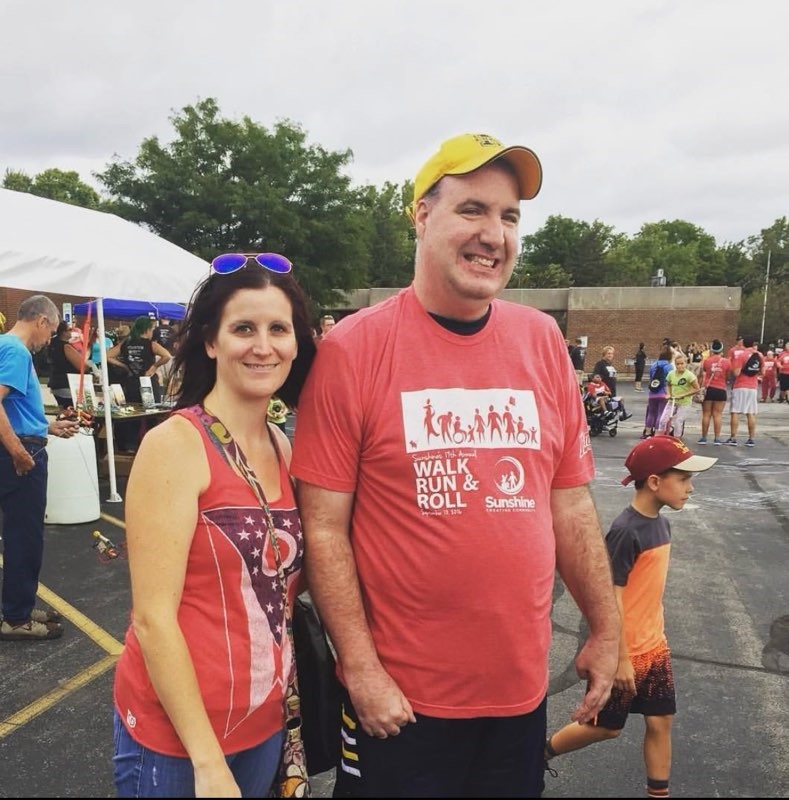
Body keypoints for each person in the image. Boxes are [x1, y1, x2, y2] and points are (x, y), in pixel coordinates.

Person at [290, 132, 620, 797]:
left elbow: (569, 501)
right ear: (421, 215)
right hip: (401, 702)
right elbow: (323, 528)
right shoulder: (353, 349)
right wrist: (361, 668)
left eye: (509, 216)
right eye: (472, 209)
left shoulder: (540, 340)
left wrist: (605, 629)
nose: (493, 234)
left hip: (517, 694)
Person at [111, 253, 317, 797]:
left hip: (266, 720)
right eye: (243, 328)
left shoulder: (283, 447)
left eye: (278, 329)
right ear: (210, 341)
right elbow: (153, 618)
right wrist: (206, 762)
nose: (263, 346)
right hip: (181, 740)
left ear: (296, 344)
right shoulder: (175, 445)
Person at [544, 435, 717, 799]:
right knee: (606, 727)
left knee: (661, 719)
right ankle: (539, 755)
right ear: (654, 481)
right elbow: (612, 599)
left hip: (654, 647)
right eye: (684, 479)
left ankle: (659, 794)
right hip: (627, 652)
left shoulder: (661, 525)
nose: (690, 488)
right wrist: (620, 657)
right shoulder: (625, 532)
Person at [0, 295, 80, 641]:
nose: (50, 340)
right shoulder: (17, 352)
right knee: (25, 536)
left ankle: (19, 604)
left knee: (21, 533)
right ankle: (17, 618)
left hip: (21, 444)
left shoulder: (5, 346)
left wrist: (47, 426)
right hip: (20, 454)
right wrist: (19, 451)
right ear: (42, 321)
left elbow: (15, 409)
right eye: (52, 330)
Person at [725, 336, 763, 447]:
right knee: (750, 413)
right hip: (753, 386)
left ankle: (733, 438)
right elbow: (762, 372)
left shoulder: (742, 355)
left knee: (735, 412)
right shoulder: (759, 355)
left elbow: (736, 373)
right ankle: (751, 439)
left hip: (740, 385)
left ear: (743, 344)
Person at [656, 353, 700, 440]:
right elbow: (668, 385)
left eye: (682, 363)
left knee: (678, 421)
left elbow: (697, 389)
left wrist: (683, 395)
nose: (680, 366)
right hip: (672, 401)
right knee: (663, 420)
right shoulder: (671, 374)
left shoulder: (690, 375)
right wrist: (668, 394)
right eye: (677, 364)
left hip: (684, 402)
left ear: (686, 363)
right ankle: (659, 438)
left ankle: (677, 440)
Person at [697, 339, 731, 445]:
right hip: (721, 389)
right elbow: (728, 376)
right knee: (717, 414)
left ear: (712, 349)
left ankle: (704, 438)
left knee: (706, 414)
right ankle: (717, 438)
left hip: (709, 389)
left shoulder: (707, 361)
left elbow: (703, 373)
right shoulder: (727, 362)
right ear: (721, 349)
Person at [48, 321, 85, 408]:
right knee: (71, 409)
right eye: (70, 329)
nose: (72, 331)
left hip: (56, 382)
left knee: (63, 408)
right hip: (67, 383)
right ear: (63, 332)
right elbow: (81, 365)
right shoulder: (66, 346)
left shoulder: (52, 344)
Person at [592, 345, 632, 421]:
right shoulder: (600, 364)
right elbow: (595, 376)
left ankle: (622, 414)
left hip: (612, 390)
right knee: (606, 408)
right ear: (604, 354)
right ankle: (602, 421)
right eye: (608, 353)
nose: (610, 355)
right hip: (604, 391)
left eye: (612, 353)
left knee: (616, 404)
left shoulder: (610, 365)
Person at [642, 347, 673, 439]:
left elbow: (651, 378)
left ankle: (648, 431)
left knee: (651, 413)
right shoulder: (669, 366)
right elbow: (671, 380)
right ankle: (657, 432)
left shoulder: (653, 365)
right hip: (664, 392)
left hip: (653, 392)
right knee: (661, 413)